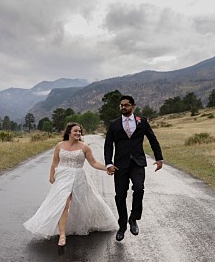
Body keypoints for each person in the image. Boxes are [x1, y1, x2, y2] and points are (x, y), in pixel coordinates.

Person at [23, 122, 116, 253]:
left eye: (80, 131)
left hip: (78, 177)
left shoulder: (84, 147)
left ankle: (81, 224)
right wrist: (51, 175)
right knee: (64, 204)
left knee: (81, 203)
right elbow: (55, 162)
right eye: (75, 131)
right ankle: (62, 235)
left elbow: (94, 163)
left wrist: (107, 168)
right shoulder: (60, 145)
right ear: (69, 132)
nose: (78, 133)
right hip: (62, 177)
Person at [104, 95, 164, 241]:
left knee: (139, 189)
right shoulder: (114, 124)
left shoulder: (142, 122)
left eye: (126, 105)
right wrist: (109, 163)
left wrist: (159, 158)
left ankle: (133, 218)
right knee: (120, 195)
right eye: (121, 105)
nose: (123, 107)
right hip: (120, 165)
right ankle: (122, 225)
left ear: (133, 106)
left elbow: (152, 139)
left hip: (137, 163)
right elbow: (108, 145)